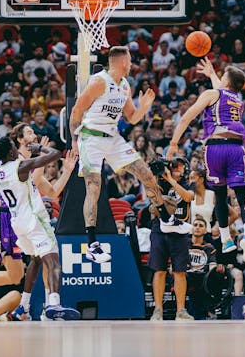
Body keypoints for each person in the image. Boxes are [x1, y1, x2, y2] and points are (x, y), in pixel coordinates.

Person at [69, 46, 177, 264]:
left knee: (146, 174)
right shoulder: (99, 82)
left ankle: (166, 218)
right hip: (91, 137)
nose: (131, 65)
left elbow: (132, 118)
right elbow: (76, 111)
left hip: (113, 137)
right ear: (120, 63)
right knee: (94, 187)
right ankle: (92, 244)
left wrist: (144, 106)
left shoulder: (125, 85)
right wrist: (74, 140)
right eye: (128, 62)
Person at [167, 57, 245, 266]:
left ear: (226, 81)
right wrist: (212, 74)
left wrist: (174, 142)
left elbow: (186, 117)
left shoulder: (210, 94)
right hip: (236, 148)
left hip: (214, 148)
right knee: (244, 195)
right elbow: (223, 89)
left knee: (219, 193)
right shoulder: (238, 100)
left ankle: (225, 239)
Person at [0, 123, 77, 321]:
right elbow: (53, 154)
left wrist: (66, 171)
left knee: (35, 259)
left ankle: (23, 306)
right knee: (52, 258)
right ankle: (53, 304)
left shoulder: (0, 171)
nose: (33, 135)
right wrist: (40, 149)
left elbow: (50, 190)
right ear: (15, 144)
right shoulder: (20, 164)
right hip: (31, 217)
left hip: (17, 220)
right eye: (29, 132)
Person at [148, 158, 195, 322]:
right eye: (173, 166)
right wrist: (159, 175)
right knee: (159, 270)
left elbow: (188, 197)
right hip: (159, 230)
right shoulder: (158, 181)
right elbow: (151, 196)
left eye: (179, 167)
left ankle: (181, 310)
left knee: (179, 271)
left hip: (180, 230)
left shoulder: (189, 183)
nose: (176, 169)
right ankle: (158, 309)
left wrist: (171, 180)